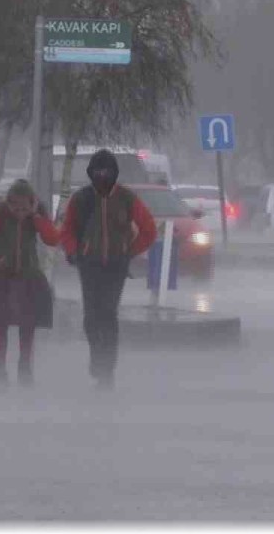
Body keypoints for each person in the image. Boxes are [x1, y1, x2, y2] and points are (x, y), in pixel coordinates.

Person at [59, 149, 157, 389]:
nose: (102, 176)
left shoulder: (126, 198)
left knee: (108, 314)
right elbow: (67, 229)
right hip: (89, 265)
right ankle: (97, 357)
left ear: (114, 173)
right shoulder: (81, 198)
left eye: (107, 171)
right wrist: (73, 252)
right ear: (91, 173)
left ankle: (107, 370)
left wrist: (129, 251)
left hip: (116, 265)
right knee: (91, 317)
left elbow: (149, 230)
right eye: (98, 171)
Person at [0, 179, 60, 388]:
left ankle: (24, 367)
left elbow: (52, 239)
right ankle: (0, 370)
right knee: (0, 323)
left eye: (24, 208)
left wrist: (37, 218)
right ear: (8, 203)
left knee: (27, 324)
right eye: (15, 207)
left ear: (32, 203)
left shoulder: (38, 214)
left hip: (28, 275)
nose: (20, 212)